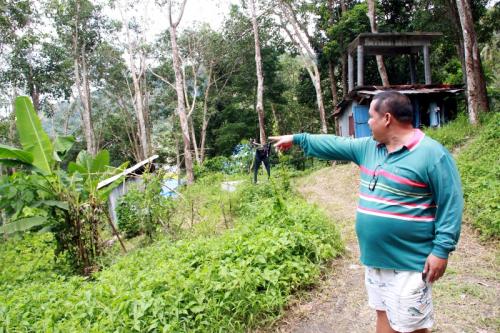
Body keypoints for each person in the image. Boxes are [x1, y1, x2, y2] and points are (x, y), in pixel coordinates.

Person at [269, 91, 463, 333]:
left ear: (387, 118)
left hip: (410, 263)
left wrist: (441, 250)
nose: (368, 122)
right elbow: (335, 144)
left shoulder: (432, 154)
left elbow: (451, 202)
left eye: (372, 116)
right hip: (376, 260)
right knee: (383, 316)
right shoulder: (370, 148)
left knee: (412, 327)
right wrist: (298, 138)